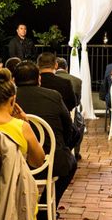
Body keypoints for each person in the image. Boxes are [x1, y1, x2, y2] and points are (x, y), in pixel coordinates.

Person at [13, 61, 77, 212]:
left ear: (14, 80)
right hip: (49, 163)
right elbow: (68, 126)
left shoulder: (8, 100)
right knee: (70, 162)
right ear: (39, 79)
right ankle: (47, 206)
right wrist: (62, 146)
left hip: (14, 162)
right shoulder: (53, 96)